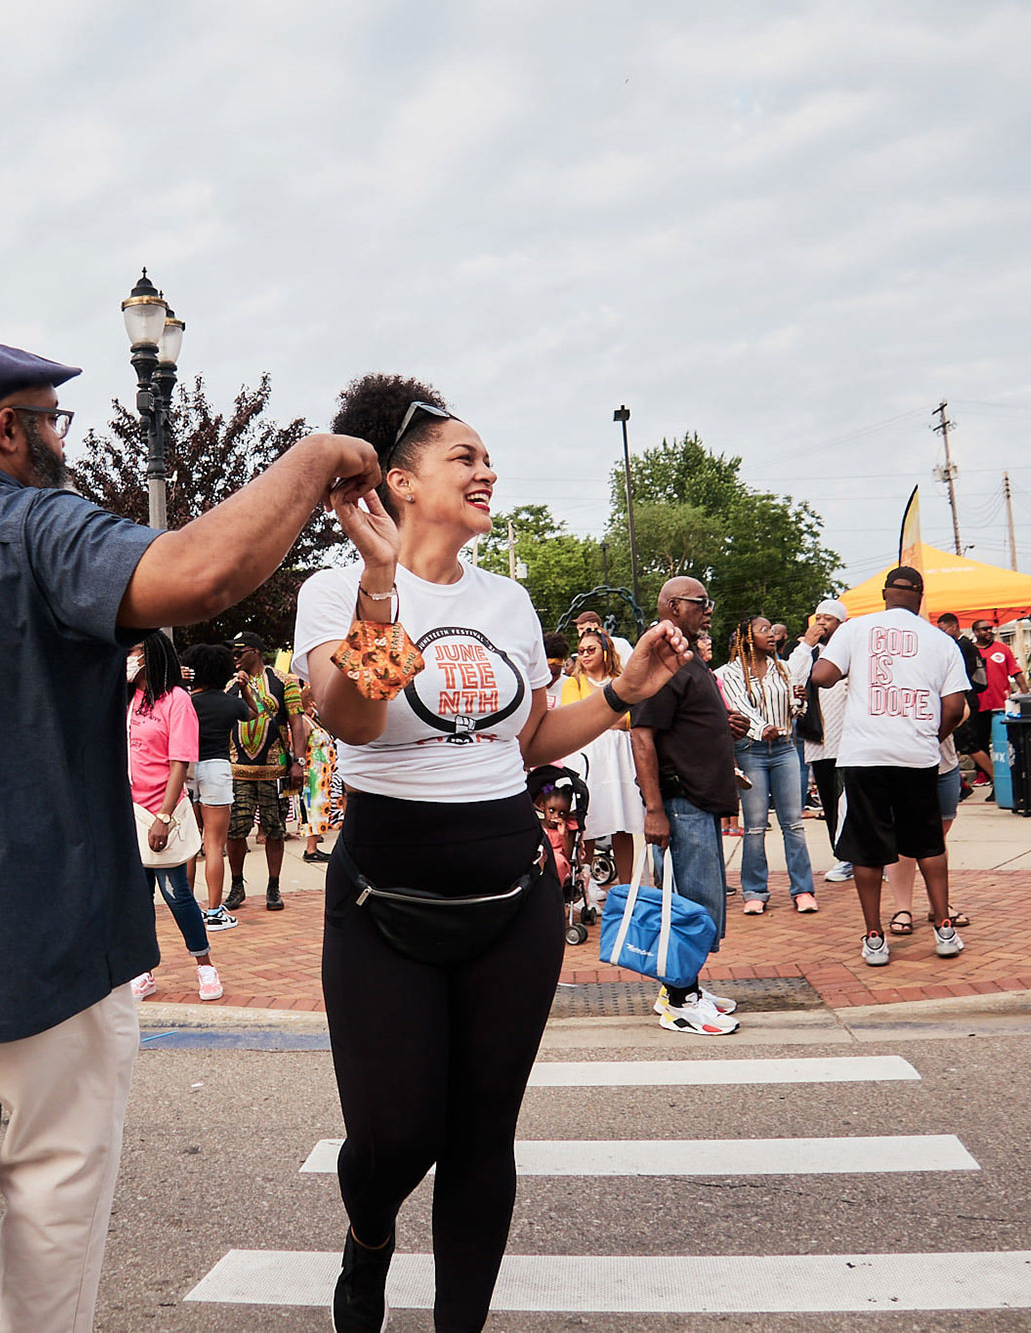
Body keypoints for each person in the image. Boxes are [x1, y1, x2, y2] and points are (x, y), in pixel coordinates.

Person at [0, 340, 383, 1332]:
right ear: (9, 428)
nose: (60, 443)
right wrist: (307, 459)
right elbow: (197, 575)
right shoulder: (28, 523)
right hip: (38, 927)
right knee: (51, 1190)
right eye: (52, 420)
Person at [294, 373, 689, 1333]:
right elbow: (347, 714)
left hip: (511, 891)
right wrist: (383, 589)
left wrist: (626, 692)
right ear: (400, 480)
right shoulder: (335, 591)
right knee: (394, 1132)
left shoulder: (509, 598)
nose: (488, 472)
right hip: (384, 892)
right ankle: (371, 1232)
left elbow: (526, 741)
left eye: (486, 457)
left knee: (482, 1135)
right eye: (464, 457)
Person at [811, 567, 971, 969]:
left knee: (867, 850)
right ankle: (945, 928)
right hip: (916, 756)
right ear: (920, 596)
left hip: (865, 755)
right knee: (929, 844)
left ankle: (875, 937)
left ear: (885, 594)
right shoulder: (941, 641)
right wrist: (931, 737)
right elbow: (954, 707)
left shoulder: (856, 629)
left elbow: (822, 676)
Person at [630, 578, 744, 1037]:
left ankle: (688, 989)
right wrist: (654, 809)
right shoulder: (663, 659)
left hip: (698, 802)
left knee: (701, 902)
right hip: (679, 804)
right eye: (701, 603)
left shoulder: (687, 659)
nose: (708, 610)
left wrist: (722, 724)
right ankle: (679, 1000)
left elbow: (684, 724)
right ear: (674, 607)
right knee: (687, 903)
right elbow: (642, 736)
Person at [123, 631, 223, 1003]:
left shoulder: (176, 700)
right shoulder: (130, 699)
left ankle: (205, 965)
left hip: (161, 810)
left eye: (132, 651)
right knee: (138, 897)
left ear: (148, 654)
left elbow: (180, 761)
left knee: (176, 892)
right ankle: (143, 971)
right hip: (129, 811)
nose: (127, 658)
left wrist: (164, 815)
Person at [715, 616, 818, 914]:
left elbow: (796, 710)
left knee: (794, 823)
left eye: (772, 630)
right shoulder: (729, 673)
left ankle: (803, 890)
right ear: (748, 638)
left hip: (785, 748)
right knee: (756, 825)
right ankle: (755, 891)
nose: (771, 634)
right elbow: (738, 707)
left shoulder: (783, 668)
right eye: (763, 630)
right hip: (750, 750)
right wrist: (762, 729)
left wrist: (800, 701)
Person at [224, 630, 306, 913]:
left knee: (275, 829)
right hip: (238, 770)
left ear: (256, 651)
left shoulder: (285, 682)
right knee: (234, 831)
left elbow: (296, 722)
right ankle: (236, 885)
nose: (234, 657)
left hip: (273, 768)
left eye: (239, 651)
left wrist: (299, 761)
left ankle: (273, 886)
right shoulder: (230, 685)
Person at [181, 642, 258, 931]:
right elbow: (256, 712)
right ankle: (214, 911)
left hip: (185, 769)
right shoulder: (230, 702)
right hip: (217, 768)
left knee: (190, 843)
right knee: (214, 844)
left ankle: (187, 909)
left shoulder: (184, 701)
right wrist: (245, 688)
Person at [556, 629, 641, 886]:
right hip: (587, 759)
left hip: (619, 761)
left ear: (606, 651)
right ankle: (583, 886)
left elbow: (630, 719)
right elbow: (575, 717)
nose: (584, 655)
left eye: (590, 649)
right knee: (586, 823)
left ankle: (626, 888)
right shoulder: (574, 683)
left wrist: (600, 718)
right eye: (580, 651)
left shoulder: (621, 680)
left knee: (622, 824)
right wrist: (609, 718)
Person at [788, 600, 854, 884]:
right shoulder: (808, 652)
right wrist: (805, 645)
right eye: (819, 618)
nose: (822, 623)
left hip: (851, 740)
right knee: (829, 801)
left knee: (856, 801)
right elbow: (792, 677)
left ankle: (874, 857)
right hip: (820, 741)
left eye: (828, 619)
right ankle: (843, 857)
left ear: (840, 624)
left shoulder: (851, 649)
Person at [883, 733, 964, 937]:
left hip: (943, 762)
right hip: (898, 764)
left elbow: (961, 711)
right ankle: (903, 909)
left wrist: (926, 735)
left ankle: (939, 905)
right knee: (901, 837)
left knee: (938, 836)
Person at [936, 613, 992, 795]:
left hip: (965, 701)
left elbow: (963, 675)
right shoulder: (960, 646)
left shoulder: (963, 647)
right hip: (962, 700)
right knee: (961, 745)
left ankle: (996, 780)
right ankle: (963, 785)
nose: (942, 633)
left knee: (970, 744)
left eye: (943, 629)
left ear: (953, 627)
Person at [970, 618, 1024, 804]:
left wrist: (1025, 693)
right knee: (980, 742)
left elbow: (1016, 672)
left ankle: (1005, 783)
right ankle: (988, 777)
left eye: (990, 628)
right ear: (975, 632)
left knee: (1005, 745)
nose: (988, 631)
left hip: (1002, 706)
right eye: (984, 629)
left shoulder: (1002, 649)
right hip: (978, 706)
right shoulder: (970, 651)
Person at [297, 683, 343, 864]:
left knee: (322, 809)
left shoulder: (317, 721)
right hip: (313, 773)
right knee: (314, 809)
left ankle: (314, 847)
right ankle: (311, 849)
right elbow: (298, 746)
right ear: (310, 701)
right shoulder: (304, 721)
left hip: (325, 774)